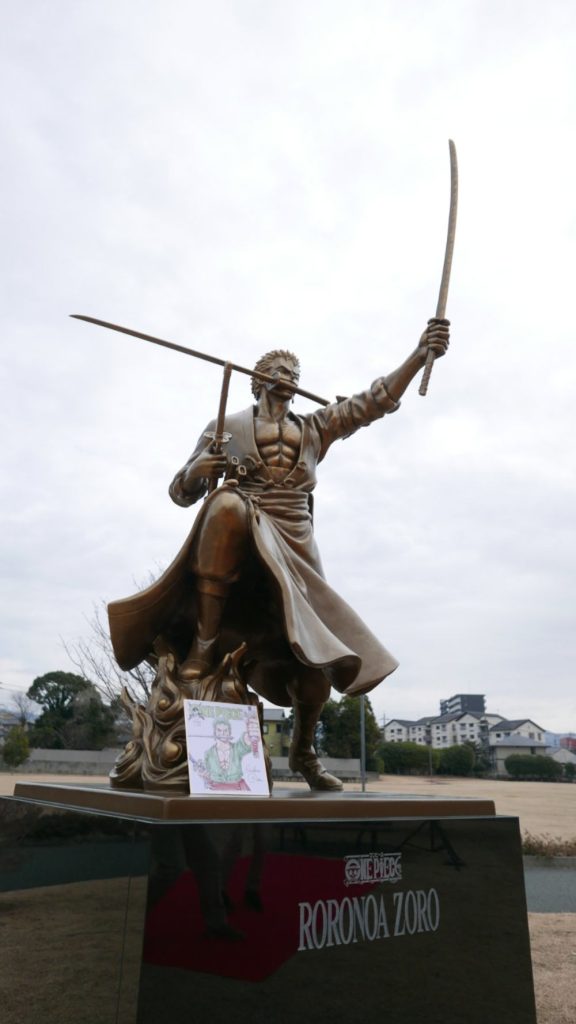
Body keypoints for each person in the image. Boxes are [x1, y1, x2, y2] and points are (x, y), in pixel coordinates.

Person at [108, 319, 449, 791]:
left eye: (294, 371)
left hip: (294, 544)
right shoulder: (225, 426)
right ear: (259, 379)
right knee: (225, 503)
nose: (289, 375)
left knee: (314, 666)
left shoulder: (314, 427)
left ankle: (304, 751)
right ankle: (205, 643)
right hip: (243, 532)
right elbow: (180, 492)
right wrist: (199, 470)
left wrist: (418, 354)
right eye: (280, 369)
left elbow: (373, 402)